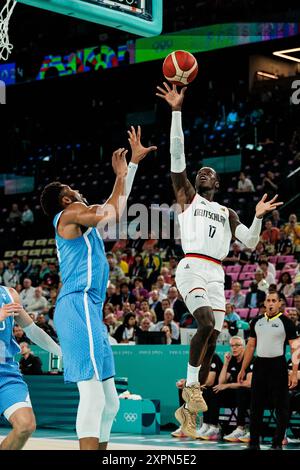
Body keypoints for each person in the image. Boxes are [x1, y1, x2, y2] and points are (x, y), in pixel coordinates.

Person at [156, 81, 282, 438]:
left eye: (208, 172)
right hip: (192, 265)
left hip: (216, 273)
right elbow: (177, 157)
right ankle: (193, 388)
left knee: (213, 337)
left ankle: (188, 411)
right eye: (199, 173)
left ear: (218, 181)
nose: (202, 172)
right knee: (207, 323)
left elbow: (251, 242)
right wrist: (177, 111)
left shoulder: (227, 212)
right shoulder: (189, 199)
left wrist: (256, 216)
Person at [40, 127, 156, 450]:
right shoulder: (69, 214)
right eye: (73, 189)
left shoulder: (81, 220)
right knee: (91, 397)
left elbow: (115, 207)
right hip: (76, 305)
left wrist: (131, 166)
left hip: (90, 309)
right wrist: (120, 173)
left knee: (111, 403)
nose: (78, 190)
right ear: (66, 199)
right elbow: (113, 212)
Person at [0, 286, 61, 450]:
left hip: (6, 374)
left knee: (25, 425)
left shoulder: (9, 294)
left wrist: (62, 353)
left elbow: (32, 331)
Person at [238, 292, 299, 450]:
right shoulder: (256, 321)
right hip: (260, 365)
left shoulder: (286, 322)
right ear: (264, 303)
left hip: (278, 366)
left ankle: (277, 443)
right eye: (268, 300)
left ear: (280, 303)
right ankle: (253, 443)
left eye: (274, 301)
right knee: (256, 406)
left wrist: (293, 373)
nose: (270, 303)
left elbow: (295, 348)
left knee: (282, 407)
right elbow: (251, 346)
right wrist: (243, 368)